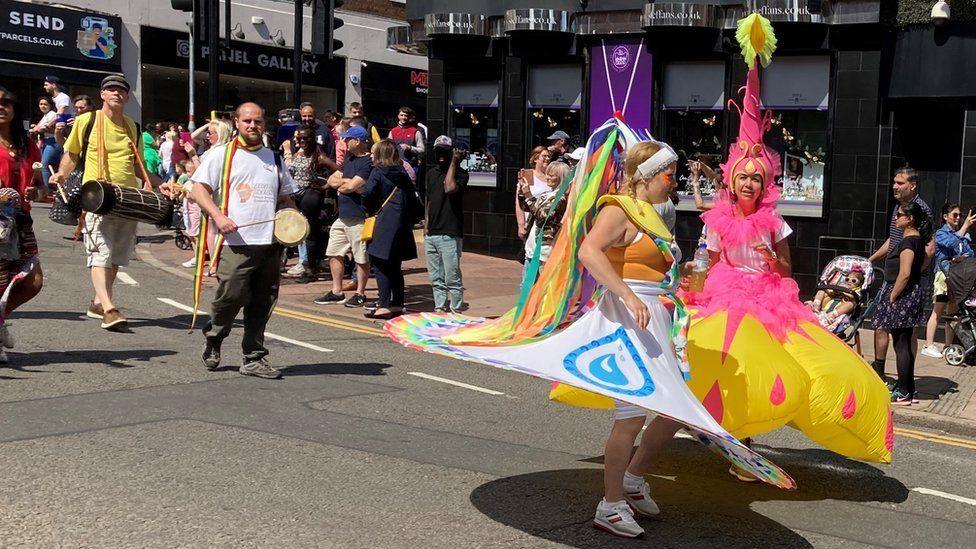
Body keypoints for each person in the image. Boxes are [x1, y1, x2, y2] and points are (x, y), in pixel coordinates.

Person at [386, 119, 797, 538]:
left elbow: (649, 268)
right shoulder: (619, 209)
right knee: (631, 416)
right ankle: (610, 504)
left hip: (654, 320)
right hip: (627, 322)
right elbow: (588, 252)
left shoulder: (651, 214)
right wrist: (630, 295)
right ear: (650, 176)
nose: (673, 183)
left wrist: (683, 274)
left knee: (670, 411)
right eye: (669, 175)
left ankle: (633, 481)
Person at [679, 13, 891, 473]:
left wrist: (773, 258)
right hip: (723, 296)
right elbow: (709, 262)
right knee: (719, 363)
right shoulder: (716, 219)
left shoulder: (777, 224)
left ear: (766, 182)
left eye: (758, 177)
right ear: (732, 183)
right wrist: (697, 286)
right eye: (744, 177)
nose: (751, 182)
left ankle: (743, 444)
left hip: (768, 300)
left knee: (770, 371)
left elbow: (787, 271)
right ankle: (711, 427)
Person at [189, 102, 298, 379]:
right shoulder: (221, 155)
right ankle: (214, 335)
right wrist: (218, 217)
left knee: (263, 301)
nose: (253, 126)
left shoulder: (273, 158)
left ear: (264, 124)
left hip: (270, 243)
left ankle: (253, 357)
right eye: (247, 121)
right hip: (236, 242)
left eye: (258, 122)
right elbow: (199, 191)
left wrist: (294, 222)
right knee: (232, 295)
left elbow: (285, 198)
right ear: (236, 122)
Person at [52, 74, 162, 331]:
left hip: (127, 199)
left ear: (127, 96)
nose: (116, 93)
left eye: (121, 90)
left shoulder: (131, 126)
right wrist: (61, 174)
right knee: (100, 251)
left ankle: (98, 303)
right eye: (110, 89)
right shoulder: (87, 121)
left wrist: (160, 183)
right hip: (97, 197)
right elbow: (72, 154)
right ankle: (109, 309)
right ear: (102, 94)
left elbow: (138, 165)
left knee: (115, 257)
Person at [868, 167, 934, 377]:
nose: (894, 186)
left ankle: (906, 380)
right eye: (894, 182)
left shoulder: (921, 210)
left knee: (906, 332)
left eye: (900, 183)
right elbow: (893, 240)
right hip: (891, 277)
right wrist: (871, 259)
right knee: (881, 325)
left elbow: (930, 250)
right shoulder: (900, 208)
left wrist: (912, 275)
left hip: (905, 280)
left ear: (912, 185)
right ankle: (880, 371)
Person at [0, 87, 44, 363]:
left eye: (6, 102)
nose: (1, 106)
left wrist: (34, 192)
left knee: (33, 282)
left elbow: (39, 188)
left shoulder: (27, 145)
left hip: (20, 222)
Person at [879, 202, 931, 404]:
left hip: (902, 295)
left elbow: (905, 273)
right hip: (910, 294)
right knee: (904, 342)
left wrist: (892, 296)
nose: (895, 218)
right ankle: (909, 389)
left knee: (900, 343)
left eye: (899, 215)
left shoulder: (909, 242)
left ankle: (903, 391)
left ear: (910, 219)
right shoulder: (915, 240)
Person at [315, 124, 372, 307]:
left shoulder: (368, 162)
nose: (344, 142)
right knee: (334, 252)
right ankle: (336, 291)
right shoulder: (349, 158)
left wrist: (346, 184)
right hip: (343, 216)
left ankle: (360, 293)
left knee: (360, 257)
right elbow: (333, 180)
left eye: (348, 139)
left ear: (358, 141)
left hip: (359, 217)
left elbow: (349, 187)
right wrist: (347, 182)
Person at [362, 139, 420, 319]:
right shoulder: (403, 173)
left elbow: (367, 194)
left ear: (380, 154)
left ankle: (384, 304)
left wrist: (369, 209)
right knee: (395, 265)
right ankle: (397, 304)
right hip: (401, 224)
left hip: (383, 223)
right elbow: (413, 199)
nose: (372, 155)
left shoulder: (378, 171)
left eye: (374, 152)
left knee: (380, 265)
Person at [921, 203, 975, 358]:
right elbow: (951, 243)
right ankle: (929, 344)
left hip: (957, 278)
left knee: (952, 313)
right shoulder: (940, 233)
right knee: (938, 310)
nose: (958, 218)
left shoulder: (961, 236)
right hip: (943, 276)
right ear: (945, 217)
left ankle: (948, 346)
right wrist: (964, 228)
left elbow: (968, 253)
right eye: (955, 215)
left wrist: (959, 256)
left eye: (960, 215)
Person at [283, 125, 332, 283]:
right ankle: (308, 264)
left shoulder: (319, 157)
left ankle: (311, 270)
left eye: (305, 138)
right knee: (295, 229)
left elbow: (338, 171)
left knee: (309, 232)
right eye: (299, 138)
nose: (301, 141)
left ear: (312, 139)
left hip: (310, 196)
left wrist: (325, 185)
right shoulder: (299, 153)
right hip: (296, 195)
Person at [424, 136, 468, 313]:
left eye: (445, 151)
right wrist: (426, 224)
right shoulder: (430, 173)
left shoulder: (461, 174)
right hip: (432, 233)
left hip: (449, 232)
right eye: (438, 151)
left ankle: (456, 309)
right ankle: (440, 307)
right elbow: (429, 200)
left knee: (452, 277)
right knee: (435, 277)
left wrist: (454, 162)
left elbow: (449, 188)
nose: (440, 155)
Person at [518, 161, 570, 279]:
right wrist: (521, 192)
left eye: (551, 175)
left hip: (544, 252)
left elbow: (542, 215)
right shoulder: (545, 194)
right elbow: (529, 207)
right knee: (526, 288)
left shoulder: (561, 198)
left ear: (561, 178)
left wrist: (527, 193)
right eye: (547, 174)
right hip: (531, 249)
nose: (547, 177)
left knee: (541, 291)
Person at [806, 267, 865, 334]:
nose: (849, 281)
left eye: (853, 281)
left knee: (850, 304)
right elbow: (831, 292)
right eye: (847, 279)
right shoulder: (841, 285)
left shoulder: (857, 290)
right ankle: (815, 305)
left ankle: (832, 315)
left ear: (859, 284)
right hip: (829, 304)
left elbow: (853, 297)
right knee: (821, 291)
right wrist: (834, 290)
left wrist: (844, 292)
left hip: (840, 309)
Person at [515, 146, 552, 242]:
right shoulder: (528, 175)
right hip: (531, 223)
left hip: (546, 223)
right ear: (535, 159)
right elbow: (520, 202)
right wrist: (521, 225)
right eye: (544, 156)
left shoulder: (551, 176)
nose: (547, 159)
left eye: (549, 156)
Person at [30, 96, 59, 188]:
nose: (43, 106)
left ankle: (47, 189)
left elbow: (54, 128)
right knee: (41, 165)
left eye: (45, 104)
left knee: (44, 165)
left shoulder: (52, 114)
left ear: (50, 105)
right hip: (45, 142)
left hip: (53, 142)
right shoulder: (45, 116)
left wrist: (40, 129)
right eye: (41, 104)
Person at [388, 106, 425, 171]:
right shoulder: (393, 131)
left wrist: (410, 148)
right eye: (401, 115)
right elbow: (388, 148)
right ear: (398, 116)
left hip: (411, 166)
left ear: (409, 117)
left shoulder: (416, 131)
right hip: (396, 166)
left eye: (406, 116)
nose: (403, 118)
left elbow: (422, 149)